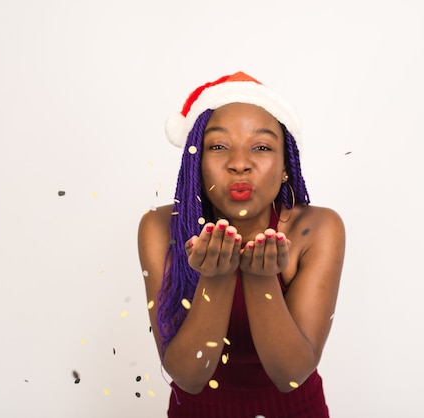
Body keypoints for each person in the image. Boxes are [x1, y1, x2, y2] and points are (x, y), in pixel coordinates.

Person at [138, 71, 345, 417]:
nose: (239, 164)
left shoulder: (318, 228)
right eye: (218, 146)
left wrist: (260, 278)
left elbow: (291, 376)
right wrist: (216, 279)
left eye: (261, 147)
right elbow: (187, 376)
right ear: (195, 162)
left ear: (285, 167)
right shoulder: (161, 228)